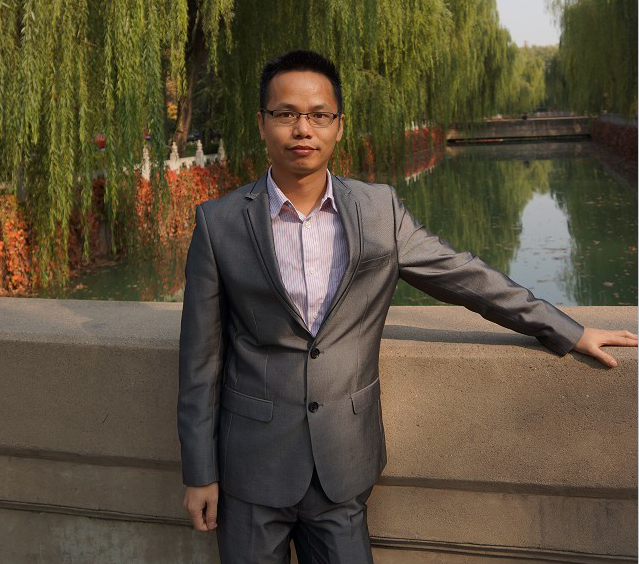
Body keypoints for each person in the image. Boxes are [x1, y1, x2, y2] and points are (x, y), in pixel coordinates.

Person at [177, 49, 637, 563]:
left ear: (339, 126)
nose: (302, 128)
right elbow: (200, 363)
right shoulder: (219, 223)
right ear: (262, 123)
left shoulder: (378, 211)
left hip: (342, 467)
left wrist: (567, 330)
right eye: (286, 114)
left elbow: (465, 277)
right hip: (249, 472)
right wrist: (200, 473)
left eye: (319, 115)